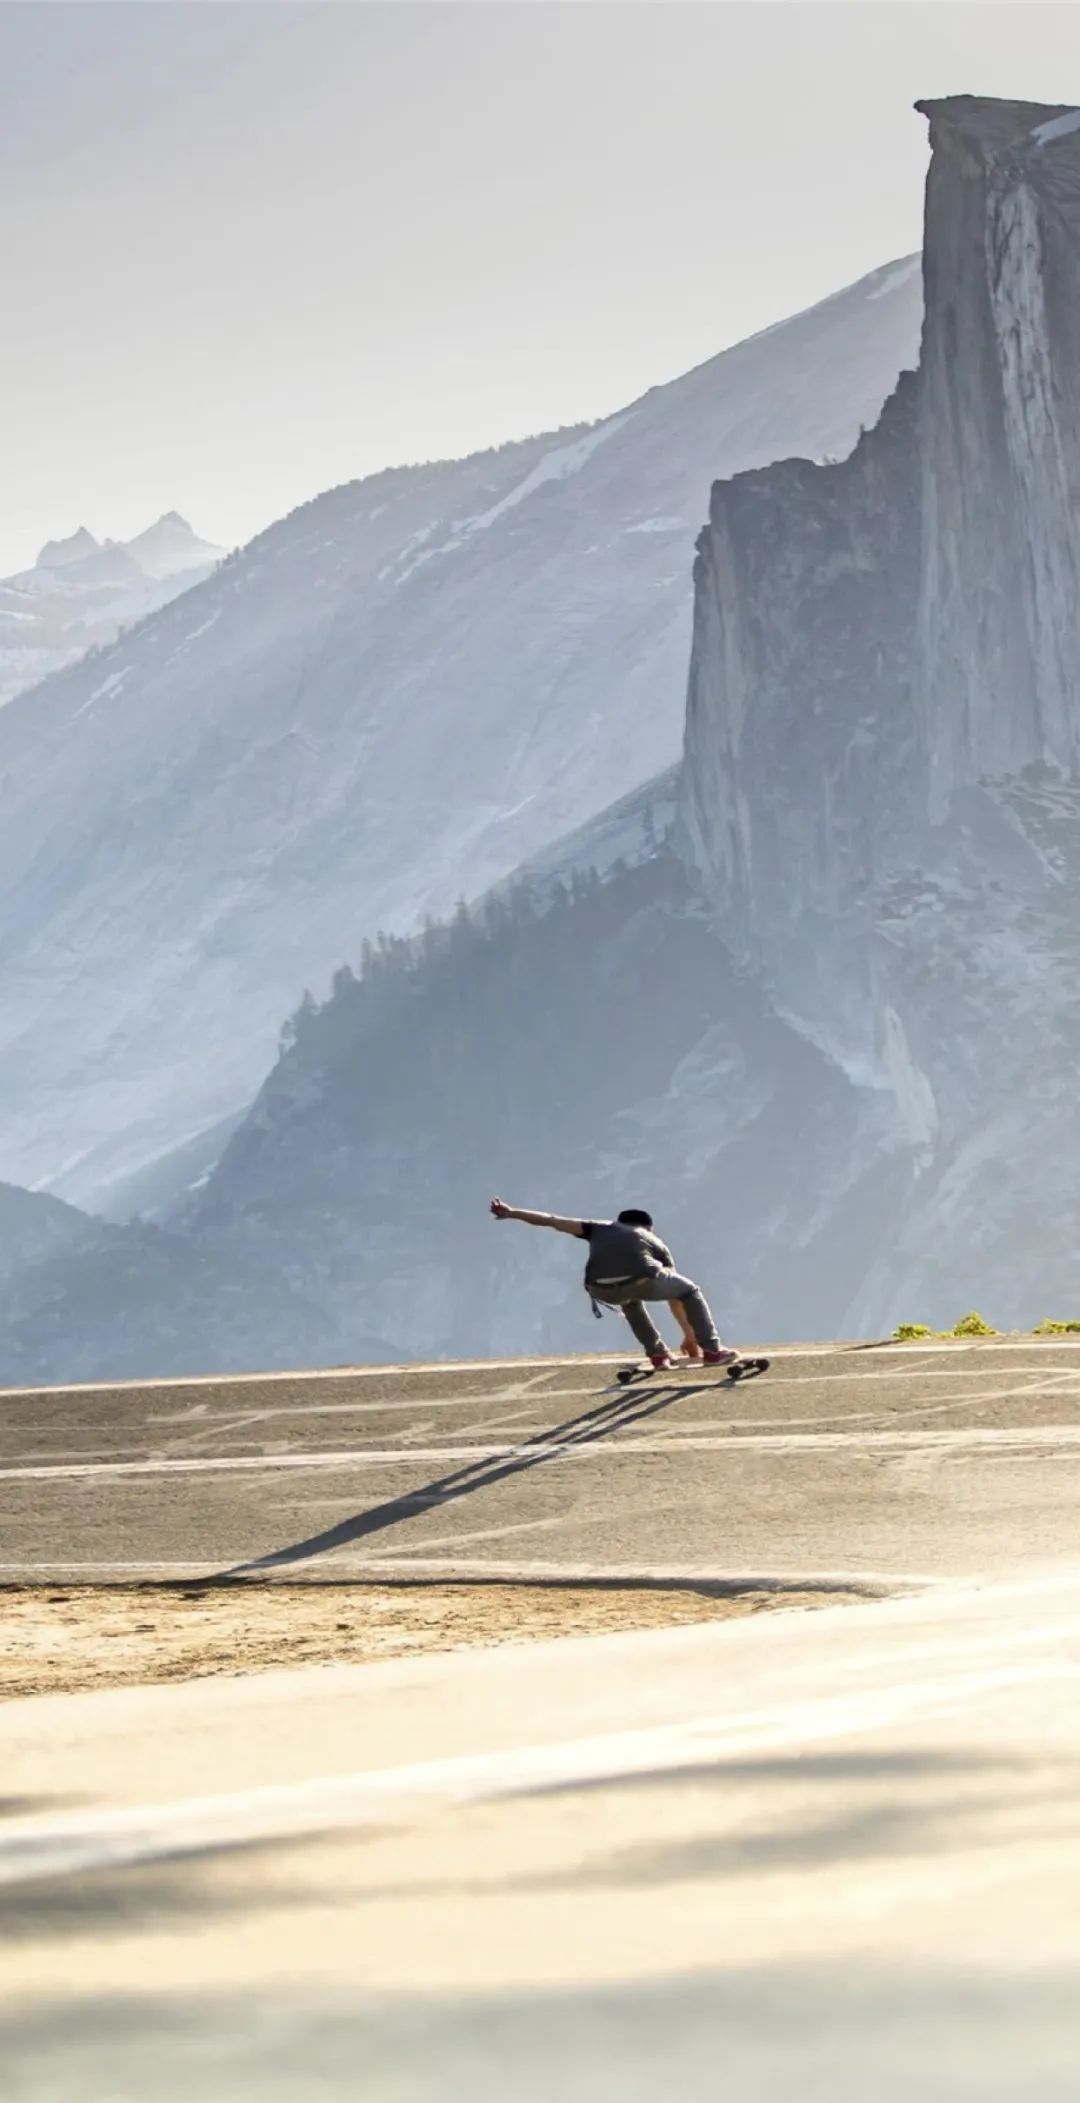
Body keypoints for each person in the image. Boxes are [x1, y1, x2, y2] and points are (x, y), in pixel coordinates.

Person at [489, 1197, 738, 1371]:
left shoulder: (597, 1228)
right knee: (690, 1291)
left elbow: (552, 1220)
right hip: (642, 1277)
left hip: (600, 1288)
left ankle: (658, 1356)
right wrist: (689, 1336)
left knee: (629, 1301)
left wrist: (512, 1213)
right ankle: (713, 1351)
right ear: (647, 1226)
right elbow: (677, 1297)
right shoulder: (653, 1240)